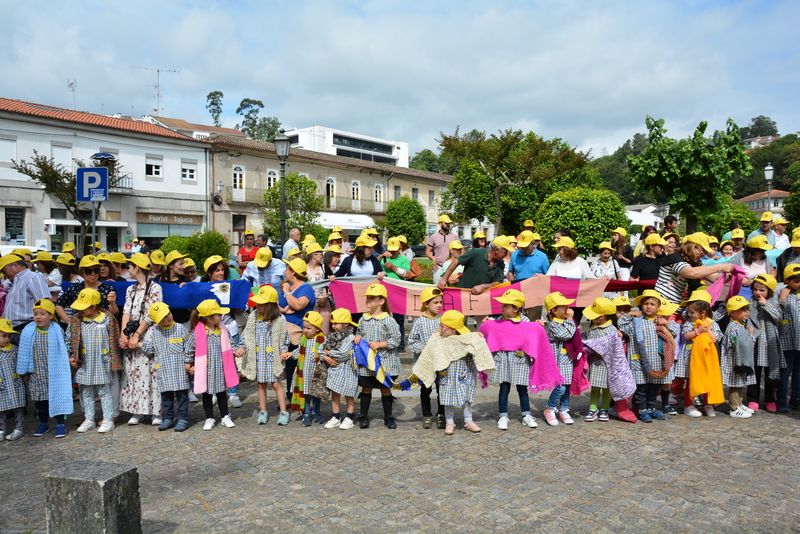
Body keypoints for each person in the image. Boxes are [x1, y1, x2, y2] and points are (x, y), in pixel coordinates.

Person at [412, 310, 494, 436]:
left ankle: (468, 421)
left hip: (465, 373)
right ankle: (449, 422)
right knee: (447, 398)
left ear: (454, 329)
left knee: (467, 397)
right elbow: (429, 353)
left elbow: (477, 343)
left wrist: (478, 337)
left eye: (443, 326)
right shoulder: (438, 339)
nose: (440, 329)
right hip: (447, 375)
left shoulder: (467, 338)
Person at [618, 290, 679, 422]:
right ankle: (642, 409)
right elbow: (621, 324)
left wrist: (666, 323)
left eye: (652, 304)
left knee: (654, 387)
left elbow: (674, 333)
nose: (649, 306)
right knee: (641, 388)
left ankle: (651, 407)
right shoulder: (635, 322)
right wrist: (630, 313)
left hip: (657, 362)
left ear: (658, 307)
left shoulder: (660, 323)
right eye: (646, 303)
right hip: (639, 362)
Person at [16, 299, 73, 438]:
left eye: (42, 314)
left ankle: (60, 423)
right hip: (37, 373)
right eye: (35, 314)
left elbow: (64, 348)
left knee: (58, 397)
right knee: (40, 401)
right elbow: (24, 352)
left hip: (54, 373)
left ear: (51, 315)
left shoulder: (57, 330)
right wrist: (25, 371)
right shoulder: (29, 331)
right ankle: (43, 422)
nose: (38, 317)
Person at [68, 288, 121, 434]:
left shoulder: (107, 319)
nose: (80, 310)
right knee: (87, 392)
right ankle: (89, 419)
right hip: (85, 362)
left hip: (102, 362)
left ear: (93, 306)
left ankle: (108, 419)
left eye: (83, 307)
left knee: (104, 392)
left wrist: (113, 359)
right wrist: (71, 356)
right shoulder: (76, 320)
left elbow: (115, 340)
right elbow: (69, 338)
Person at [185, 299, 244, 431]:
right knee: (207, 394)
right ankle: (209, 417)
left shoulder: (222, 330)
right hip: (205, 370)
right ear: (209, 319)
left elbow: (231, 344)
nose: (221, 316)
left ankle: (225, 416)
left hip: (221, 369)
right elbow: (189, 348)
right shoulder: (198, 333)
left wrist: (236, 350)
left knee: (222, 393)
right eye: (218, 314)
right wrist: (188, 364)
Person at [119, 253, 163, 426]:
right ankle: (136, 410)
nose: (128, 270)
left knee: (150, 372)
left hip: (148, 333)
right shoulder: (130, 289)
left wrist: (137, 334)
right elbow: (126, 312)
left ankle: (155, 411)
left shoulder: (155, 288)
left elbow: (150, 314)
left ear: (137, 268)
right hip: (132, 333)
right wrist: (124, 334)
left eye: (130, 266)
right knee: (132, 372)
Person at [486, 289, 538, 430]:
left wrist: (539, 326)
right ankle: (503, 416)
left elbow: (531, 338)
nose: (502, 307)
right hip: (504, 359)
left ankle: (526, 415)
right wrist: (486, 324)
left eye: (505, 305)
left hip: (520, 359)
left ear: (516, 308)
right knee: (504, 388)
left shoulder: (526, 321)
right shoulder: (498, 321)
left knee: (522, 388)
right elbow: (492, 334)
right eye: (502, 305)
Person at [354, 283, 401, 429]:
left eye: (371, 298)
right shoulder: (363, 318)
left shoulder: (388, 320)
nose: (368, 300)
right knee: (366, 388)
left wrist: (381, 344)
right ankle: (363, 416)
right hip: (367, 362)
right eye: (367, 298)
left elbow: (396, 339)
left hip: (385, 362)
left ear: (381, 301)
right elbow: (359, 333)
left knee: (385, 388)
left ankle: (388, 416)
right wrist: (357, 338)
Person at [138, 303, 191, 432]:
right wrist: (140, 344)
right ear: (156, 321)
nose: (168, 317)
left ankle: (183, 417)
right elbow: (153, 348)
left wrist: (189, 363)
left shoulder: (180, 328)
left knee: (182, 396)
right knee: (166, 397)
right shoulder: (156, 332)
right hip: (164, 370)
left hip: (179, 370)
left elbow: (188, 348)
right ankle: (168, 418)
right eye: (163, 317)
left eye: (168, 314)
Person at [242, 285, 290, 426]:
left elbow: (284, 338)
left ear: (270, 305)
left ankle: (283, 411)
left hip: (272, 357)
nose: (258, 305)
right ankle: (263, 411)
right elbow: (247, 335)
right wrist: (241, 347)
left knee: (276, 383)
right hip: (259, 357)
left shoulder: (279, 320)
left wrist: (283, 350)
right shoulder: (254, 317)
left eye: (261, 303)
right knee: (261, 384)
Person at [201, 255, 245, 407]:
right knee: (212, 362)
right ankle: (213, 392)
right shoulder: (202, 288)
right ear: (209, 273)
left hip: (229, 328)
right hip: (210, 330)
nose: (220, 273)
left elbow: (240, 308)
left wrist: (239, 294)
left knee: (230, 362)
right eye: (217, 270)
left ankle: (233, 393)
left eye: (222, 270)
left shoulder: (230, 285)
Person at [675, 291, 723, 417]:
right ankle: (688, 404)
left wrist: (706, 330)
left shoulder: (713, 324)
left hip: (706, 359)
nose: (689, 314)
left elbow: (715, 339)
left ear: (703, 313)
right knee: (691, 382)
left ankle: (708, 404)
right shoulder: (689, 324)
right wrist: (697, 331)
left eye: (692, 312)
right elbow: (686, 336)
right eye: (689, 311)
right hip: (691, 359)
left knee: (707, 381)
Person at [654, 233, 734, 308]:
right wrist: (720, 267)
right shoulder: (675, 258)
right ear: (692, 246)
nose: (702, 255)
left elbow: (715, 277)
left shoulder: (696, 262)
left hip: (684, 309)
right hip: (665, 307)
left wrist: (732, 275)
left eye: (705, 253)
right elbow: (691, 273)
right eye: (702, 251)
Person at [407, 287, 446, 429]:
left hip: (441, 362)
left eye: (441, 302)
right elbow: (411, 341)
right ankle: (427, 415)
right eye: (435, 302)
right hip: (425, 363)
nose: (439, 305)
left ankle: (441, 414)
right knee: (425, 388)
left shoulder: (443, 320)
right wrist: (422, 349)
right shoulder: (420, 322)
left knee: (441, 388)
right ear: (426, 304)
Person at [278, 258, 316, 401]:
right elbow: (279, 305)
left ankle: (305, 399)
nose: (284, 272)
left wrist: (287, 293)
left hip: (300, 333)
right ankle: (290, 396)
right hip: (285, 333)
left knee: (301, 366)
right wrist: (283, 309)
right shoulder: (286, 286)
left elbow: (299, 305)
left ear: (293, 272)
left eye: (287, 269)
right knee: (289, 367)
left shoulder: (306, 288)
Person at [746, 273, 784, 413]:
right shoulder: (751, 302)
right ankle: (752, 399)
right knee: (754, 373)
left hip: (769, 344)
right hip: (755, 342)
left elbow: (779, 317)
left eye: (762, 290)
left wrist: (766, 305)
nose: (758, 293)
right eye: (755, 289)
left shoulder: (774, 302)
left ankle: (770, 400)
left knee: (770, 374)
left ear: (770, 291)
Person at [541, 292, 577, 426]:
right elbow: (567, 335)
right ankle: (550, 408)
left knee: (567, 387)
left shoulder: (566, 321)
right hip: (557, 361)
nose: (567, 307)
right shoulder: (553, 324)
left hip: (567, 360)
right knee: (560, 388)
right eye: (563, 306)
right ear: (554, 310)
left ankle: (563, 409)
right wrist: (569, 319)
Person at [321, 309, 360, 430]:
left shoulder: (350, 337)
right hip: (335, 370)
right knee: (335, 393)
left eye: (336, 323)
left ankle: (349, 417)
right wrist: (325, 357)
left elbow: (343, 354)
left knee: (349, 394)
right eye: (332, 324)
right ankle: (336, 416)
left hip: (348, 371)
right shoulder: (331, 336)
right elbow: (321, 348)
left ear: (346, 324)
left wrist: (329, 352)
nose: (333, 326)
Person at [582, 298, 619, 422]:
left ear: (601, 317)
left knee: (606, 387)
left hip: (606, 363)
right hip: (594, 363)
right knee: (595, 386)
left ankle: (604, 409)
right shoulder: (593, 327)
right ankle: (593, 409)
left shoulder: (612, 330)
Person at [720, 296, 757, 419]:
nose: (747, 311)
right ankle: (734, 407)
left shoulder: (739, 325)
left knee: (740, 383)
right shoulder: (734, 327)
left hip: (739, 361)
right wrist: (751, 336)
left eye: (747, 308)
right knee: (735, 385)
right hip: (734, 362)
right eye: (743, 309)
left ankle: (739, 404)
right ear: (732, 313)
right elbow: (741, 344)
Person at [287, 311, 326, 426]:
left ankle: (316, 412)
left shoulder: (322, 339)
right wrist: (291, 354)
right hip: (304, 373)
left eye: (309, 328)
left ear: (317, 329)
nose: (305, 330)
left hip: (316, 373)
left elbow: (324, 353)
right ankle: (307, 413)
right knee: (307, 394)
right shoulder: (303, 339)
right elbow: (299, 351)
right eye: (304, 327)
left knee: (316, 394)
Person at [55, 255, 118, 327]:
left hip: (101, 328)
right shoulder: (75, 288)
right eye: (88, 271)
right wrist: (70, 322)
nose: (93, 273)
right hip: (79, 329)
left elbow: (113, 313)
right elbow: (58, 305)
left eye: (96, 270)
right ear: (82, 273)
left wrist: (112, 303)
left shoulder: (108, 288)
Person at [437, 236, 515, 294]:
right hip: (464, 294)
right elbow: (456, 262)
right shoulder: (475, 253)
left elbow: (498, 282)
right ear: (497, 250)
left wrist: (483, 286)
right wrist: (444, 279)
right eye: (505, 251)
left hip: (482, 298)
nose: (506, 254)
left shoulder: (500, 263)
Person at [0, 254, 50, 337]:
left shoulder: (33, 277)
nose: (5, 275)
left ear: (16, 266)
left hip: (27, 328)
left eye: (5, 271)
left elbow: (45, 303)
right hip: (14, 330)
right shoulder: (17, 281)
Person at [778, 264, 800, 412]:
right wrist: (782, 299)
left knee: (798, 372)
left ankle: (796, 399)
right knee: (785, 371)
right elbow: (777, 314)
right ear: (787, 280)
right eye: (796, 280)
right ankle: (781, 401)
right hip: (787, 340)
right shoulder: (781, 293)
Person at [0, 319, 26, 441]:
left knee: (18, 407)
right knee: (2, 409)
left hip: (15, 383)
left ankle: (19, 428)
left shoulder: (14, 350)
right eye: (3, 336)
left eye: (9, 336)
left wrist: (24, 373)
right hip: (2, 385)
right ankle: (1, 429)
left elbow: (20, 363)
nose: (7, 339)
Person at [155, 250, 192, 325]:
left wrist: (188, 288)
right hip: (163, 324)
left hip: (183, 323)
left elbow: (193, 299)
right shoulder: (159, 279)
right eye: (180, 264)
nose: (184, 267)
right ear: (171, 265)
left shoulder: (186, 280)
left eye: (183, 264)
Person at [304, 243, 331, 332]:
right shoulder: (304, 269)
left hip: (324, 305)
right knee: (309, 332)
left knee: (324, 334)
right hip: (310, 306)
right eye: (321, 254)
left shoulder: (325, 268)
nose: (322, 256)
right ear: (314, 255)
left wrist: (326, 296)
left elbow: (332, 285)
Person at [426, 215, 459, 285]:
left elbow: (461, 250)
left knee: (453, 289)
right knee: (438, 290)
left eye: (449, 223)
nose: (448, 225)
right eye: (446, 223)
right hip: (439, 268)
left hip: (452, 267)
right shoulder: (434, 237)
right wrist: (433, 259)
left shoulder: (454, 236)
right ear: (440, 224)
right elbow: (427, 251)